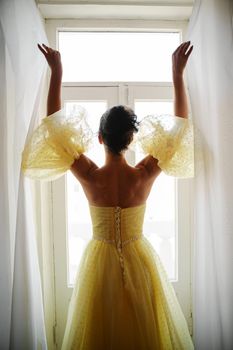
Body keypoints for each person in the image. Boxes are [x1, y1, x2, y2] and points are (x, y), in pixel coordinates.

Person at [22, 41, 194, 349]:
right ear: (131, 139)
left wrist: (56, 71)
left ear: (100, 138)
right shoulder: (143, 175)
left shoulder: (90, 176)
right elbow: (178, 133)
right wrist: (177, 75)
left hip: (98, 263)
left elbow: (56, 130)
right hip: (140, 260)